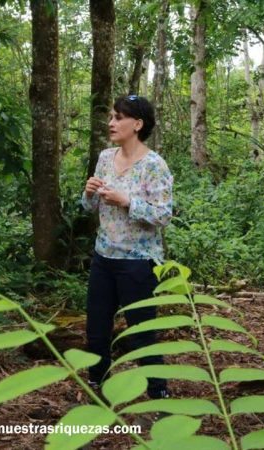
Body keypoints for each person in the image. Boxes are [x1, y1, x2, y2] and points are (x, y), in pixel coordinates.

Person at [81, 95, 173, 400]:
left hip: (139, 261)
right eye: (110, 116)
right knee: (96, 327)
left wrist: (127, 201)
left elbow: (163, 215)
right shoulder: (106, 158)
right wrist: (89, 192)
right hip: (103, 256)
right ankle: (98, 384)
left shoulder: (154, 165)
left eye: (118, 117)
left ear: (137, 124)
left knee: (141, 330)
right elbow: (88, 207)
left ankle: (157, 392)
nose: (111, 123)